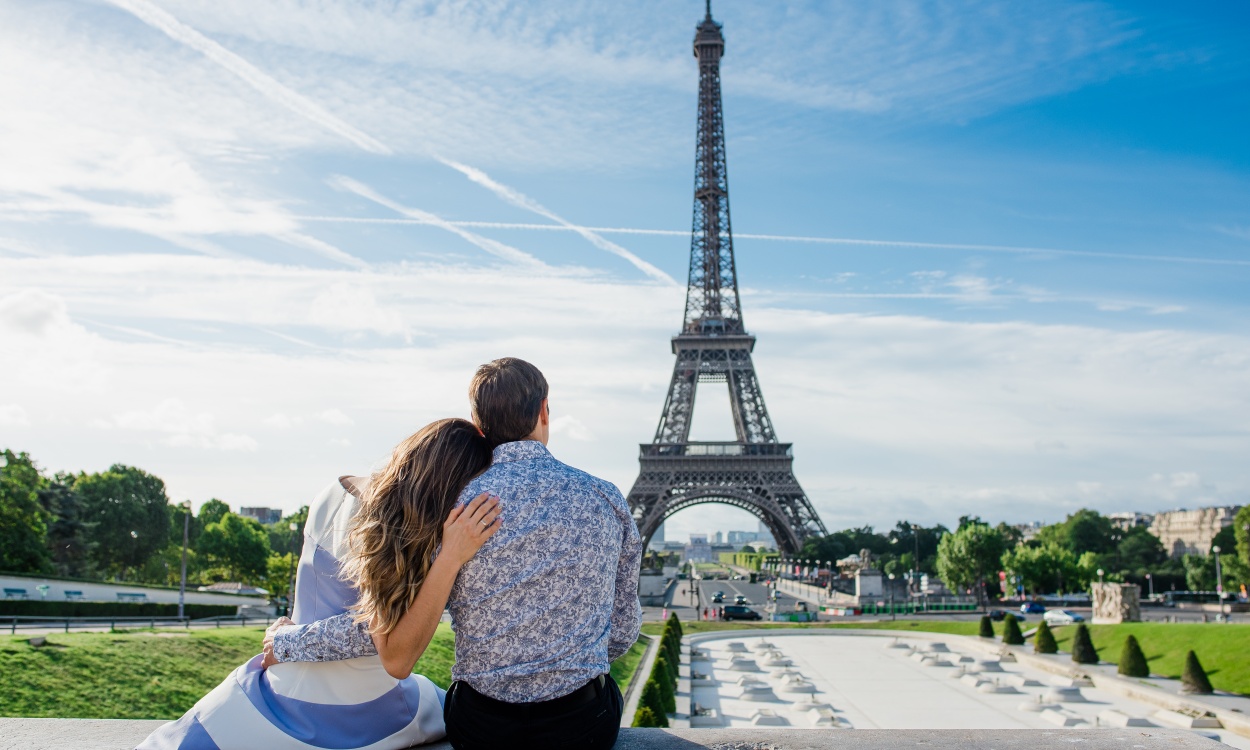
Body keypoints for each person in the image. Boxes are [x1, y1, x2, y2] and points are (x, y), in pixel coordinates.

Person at [267, 357, 642, 750]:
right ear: (545, 410)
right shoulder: (604, 498)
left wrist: (289, 642)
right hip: (582, 722)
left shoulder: (451, 508)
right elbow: (622, 629)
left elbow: (388, 629)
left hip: (484, 726)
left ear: (479, 424)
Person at [137, 419, 500, 750]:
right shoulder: (415, 533)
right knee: (455, 709)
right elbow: (387, 642)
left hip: (285, 683)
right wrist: (450, 557)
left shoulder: (334, 491)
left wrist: (286, 640)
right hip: (369, 707)